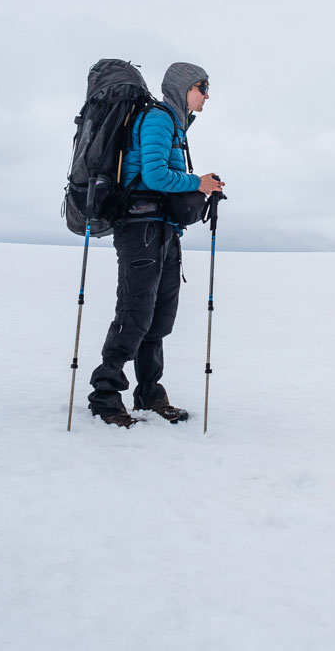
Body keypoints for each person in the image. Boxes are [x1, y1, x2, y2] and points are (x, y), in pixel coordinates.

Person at [87, 61, 225, 427]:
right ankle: (105, 395)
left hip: (163, 230)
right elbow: (154, 174)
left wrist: (199, 188)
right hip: (140, 228)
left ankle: (150, 393)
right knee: (135, 314)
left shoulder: (176, 125)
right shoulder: (159, 119)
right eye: (202, 87)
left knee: (159, 318)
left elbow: (166, 176)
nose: (206, 95)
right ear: (183, 87)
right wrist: (197, 183)